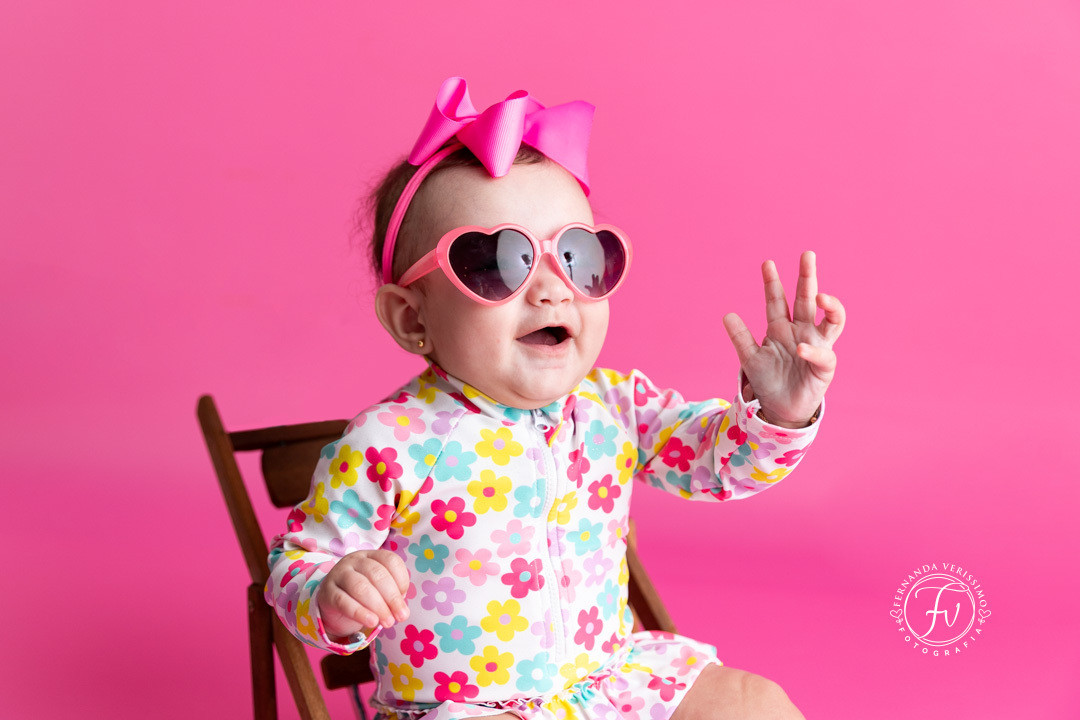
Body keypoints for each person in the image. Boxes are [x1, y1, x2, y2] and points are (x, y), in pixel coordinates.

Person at [265, 77, 845, 720]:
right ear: (411, 317)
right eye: (499, 263)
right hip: (472, 707)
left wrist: (781, 410)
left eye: (578, 255)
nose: (553, 289)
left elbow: (719, 461)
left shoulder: (615, 408)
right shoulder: (390, 442)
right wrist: (334, 592)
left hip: (609, 684)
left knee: (753, 703)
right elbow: (296, 565)